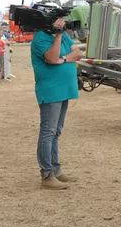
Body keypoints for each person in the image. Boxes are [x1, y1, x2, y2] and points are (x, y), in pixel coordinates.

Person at [31, 18, 83, 190]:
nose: (61, 24)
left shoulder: (61, 36)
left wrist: (62, 58)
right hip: (51, 91)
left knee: (55, 132)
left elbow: (78, 53)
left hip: (63, 91)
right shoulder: (41, 37)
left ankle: (56, 171)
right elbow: (52, 59)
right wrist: (59, 36)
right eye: (57, 21)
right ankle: (47, 175)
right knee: (48, 132)